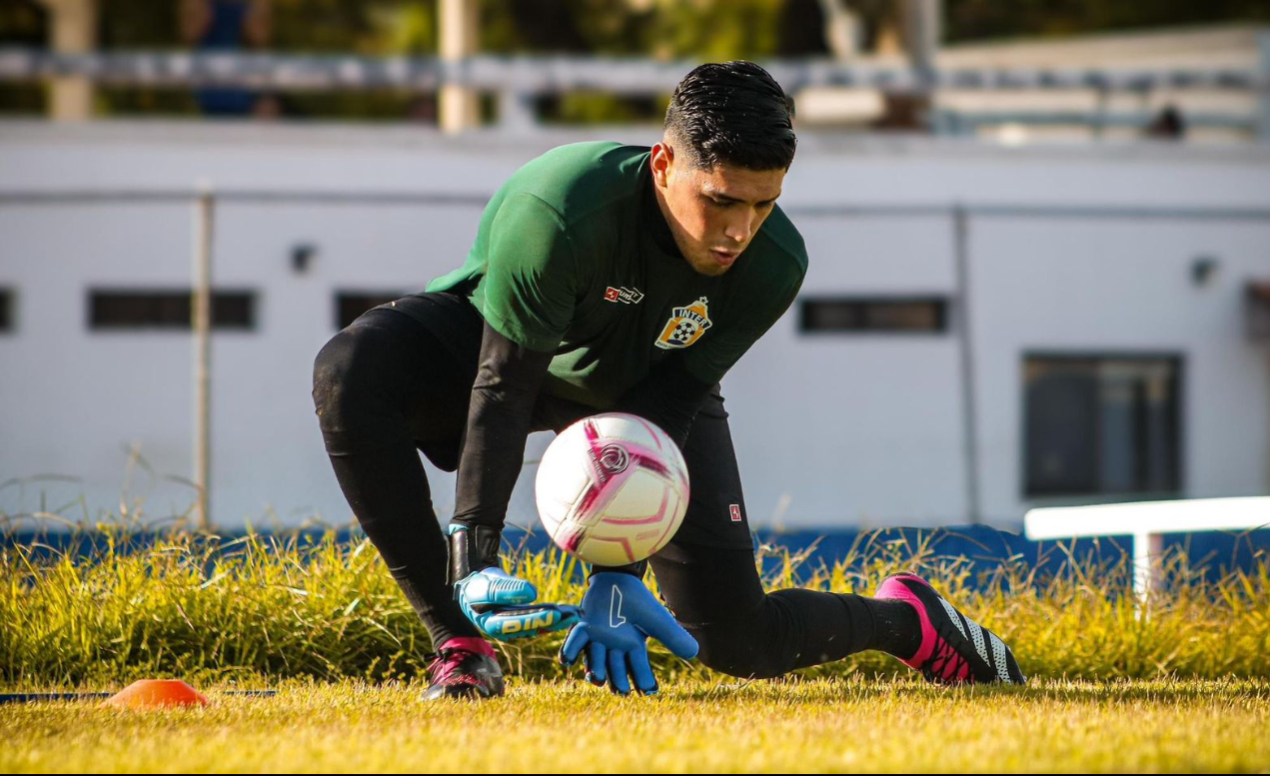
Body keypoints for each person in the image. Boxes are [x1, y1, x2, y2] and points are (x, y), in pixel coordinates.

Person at [312, 61, 1026, 699]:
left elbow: (670, 401)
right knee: (350, 373)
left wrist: (617, 574)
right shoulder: (560, 209)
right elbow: (503, 384)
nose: (737, 231)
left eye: (762, 204)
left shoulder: (774, 266)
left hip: (645, 390)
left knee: (739, 644)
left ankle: (907, 620)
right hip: (505, 350)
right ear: (661, 164)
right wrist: (475, 558)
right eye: (719, 200)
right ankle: (461, 648)